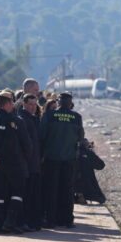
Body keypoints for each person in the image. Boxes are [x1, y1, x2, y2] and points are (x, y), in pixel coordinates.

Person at [0, 91, 30, 234]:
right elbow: (18, 143)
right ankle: (10, 222)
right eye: (12, 102)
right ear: (8, 103)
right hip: (13, 162)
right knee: (17, 192)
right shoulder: (14, 120)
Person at [40, 92, 84, 228]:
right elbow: (80, 137)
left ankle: (51, 220)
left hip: (51, 158)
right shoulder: (76, 117)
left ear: (58, 102)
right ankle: (67, 219)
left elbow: (41, 135)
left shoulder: (50, 115)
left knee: (51, 189)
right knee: (67, 189)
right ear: (70, 103)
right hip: (69, 158)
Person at [18, 93, 41, 230]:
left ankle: (32, 221)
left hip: (34, 163)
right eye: (30, 104)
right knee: (26, 195)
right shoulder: (22, 119)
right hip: (27, 164)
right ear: (24, 104)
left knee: (33, 194)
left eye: (34, 105)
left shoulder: (33, 118)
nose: (33, 107)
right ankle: (25, 221)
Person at [77, 139, 106, 205]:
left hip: (71, 183)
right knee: (101, 198)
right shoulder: (88, 153)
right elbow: (101, 165)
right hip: (87, 184)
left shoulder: (71, 152)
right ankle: (81, 195)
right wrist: (92, 154)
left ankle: (79, 194)